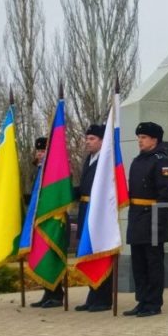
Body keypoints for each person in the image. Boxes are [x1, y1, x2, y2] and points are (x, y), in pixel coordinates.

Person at [124, 122, 168, 318]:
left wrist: (156, 220)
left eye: (143, 137)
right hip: (137, 217)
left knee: (153, 263)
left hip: (152, 219)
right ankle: (142, 300)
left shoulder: (161, 161)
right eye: (139, 137)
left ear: (155, 140)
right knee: (139, 263)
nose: (140, 140)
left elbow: (166, 194)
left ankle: (153, 303)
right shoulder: (138, 161)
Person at [73, 124, 112, 312]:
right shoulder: (89, 159)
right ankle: (93, 295)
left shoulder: (106, 161)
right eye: (87, 139)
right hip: (85, 211)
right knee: (89, 253)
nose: (87, 142)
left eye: (92, 139)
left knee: (100, 253)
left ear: (102, 141)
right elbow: (83, 189)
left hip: (98, 213)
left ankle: (103, 299)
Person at [28, 136, 65, 309]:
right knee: (42, 254)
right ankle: (48, 292)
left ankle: (57, 294)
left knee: (50, 257)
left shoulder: (56, 171)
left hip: (52, 221)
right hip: (40, 222)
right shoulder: (39, 171)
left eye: (44, 151)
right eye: (39, 151)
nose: (40, 154)